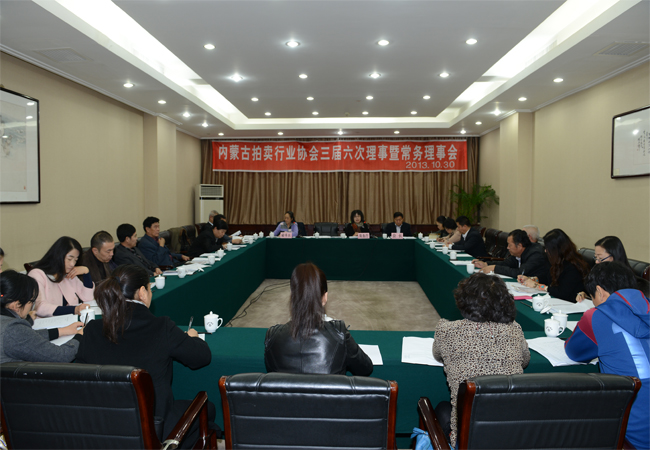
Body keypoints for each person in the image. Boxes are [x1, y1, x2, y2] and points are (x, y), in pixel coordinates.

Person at [75, 264, 217, 447]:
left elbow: (80, 375)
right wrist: (193, 338)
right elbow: (201, 357)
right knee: (208, 408)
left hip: (103, 428)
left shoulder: (92, 329)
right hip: (153, 430)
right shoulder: (161, 327)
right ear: (142, 292)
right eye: (150, 289)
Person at [432, 273, 530, 448]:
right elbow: (525, 360)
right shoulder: (515, 329)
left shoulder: (447, 330)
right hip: (512, 435)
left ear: (464, 301)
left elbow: (437, 354)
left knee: (442, 408)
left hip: (468, 439)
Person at [564, 262, 649, 449]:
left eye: (592, 297)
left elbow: (574, 352)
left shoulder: (596, 315)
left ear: (600, 292)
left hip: (633, 437)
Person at [264, 262, 373, 376]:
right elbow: (365, 369)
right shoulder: (339, 333)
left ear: (293, 297)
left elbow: (272, 372)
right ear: (325, 297)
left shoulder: (272, 337)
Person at [1, 270, 83, 364]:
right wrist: (80, 337)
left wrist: (61, 331)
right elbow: (61, 356)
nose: (32, 307)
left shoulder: (8, 326)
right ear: (16, 306)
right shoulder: (12, 329)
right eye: (32, 302)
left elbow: (27, 337)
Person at [29, 237, 94, 317]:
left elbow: (88, 298)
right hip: (46, 323)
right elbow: (40, 308)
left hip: (69, 320)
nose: (72, 264)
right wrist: (74, 309)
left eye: (75, 260)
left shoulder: (68, 274)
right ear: (57, 256)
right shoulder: (37, 274)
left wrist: (86, 272)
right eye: (69, 259)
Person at [518, 229, 589, 302]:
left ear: (556, 249)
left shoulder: (573, 266)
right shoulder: (557, 260)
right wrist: (532, 279)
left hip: (569, 303)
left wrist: (537, 286)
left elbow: (562, 292)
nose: (545, 251)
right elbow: (548, 277)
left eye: (547, 248)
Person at [576, 236, 649, 301]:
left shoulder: (628, 282)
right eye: (595, 257)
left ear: (613, 257)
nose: (597, 262)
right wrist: (585, 295)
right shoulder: (600, 273)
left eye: (600, 258)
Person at [474, 229, 549, 279]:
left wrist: (495, 268)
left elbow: (520, 273)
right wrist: (486, 264)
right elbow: (506, 263)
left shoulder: (535, 254)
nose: (507, 248)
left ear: (519, 246)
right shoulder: (519, 252)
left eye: (510, 245)